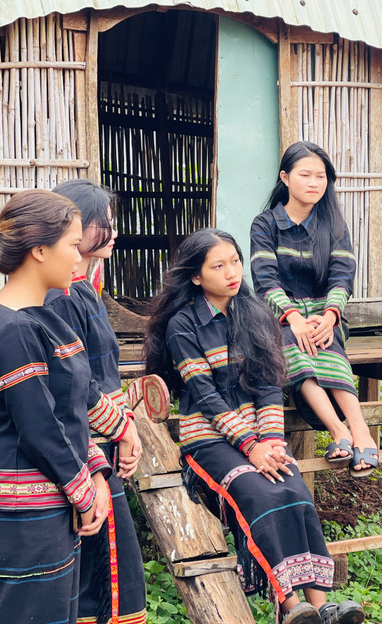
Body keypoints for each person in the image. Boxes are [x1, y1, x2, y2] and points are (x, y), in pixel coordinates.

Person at [144, 228, 365, 624]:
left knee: (295, 490)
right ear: (196, 276)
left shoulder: (255, 313)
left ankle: (320, 606)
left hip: (260, 436)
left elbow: (268, 387)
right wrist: (251, 447)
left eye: (235, 261)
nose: (232, 272)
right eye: (218, 265)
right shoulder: (183, 324)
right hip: (208, 438)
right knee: (257, 494)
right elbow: (205, 395)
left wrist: (273, 441)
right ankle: (288, 605)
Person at [0, 189, 115, 624]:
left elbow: (71, 404)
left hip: (50, 505)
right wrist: (84, 492)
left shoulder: (43, 317)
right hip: (22, 513)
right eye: (72, 244)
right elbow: (40, 428)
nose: (79, 255)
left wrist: (91, 472)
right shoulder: (12, 329)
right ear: (38, 250)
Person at [44, 179, 147, 624]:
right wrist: (123, 428)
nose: (114, 230)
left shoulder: (83, 287)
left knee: (103, 566)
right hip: (84, 444)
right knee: (103, 571)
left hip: (99, 437)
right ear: (77, 228)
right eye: (105, 221)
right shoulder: (62, 295)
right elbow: (75, 384)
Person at [250, 141, 378, 477]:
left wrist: (330, 316)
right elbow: (264, 279)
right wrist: (292, 317)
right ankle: (339, 430)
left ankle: (360, 430)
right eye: (305, 174)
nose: (314, 182)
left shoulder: (333, 224)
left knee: (327, 340)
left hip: (325, 313)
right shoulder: (265, 225)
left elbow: (342, 276)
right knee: (292, 345)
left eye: (321, 176)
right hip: (280, 315)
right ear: (285, 177)